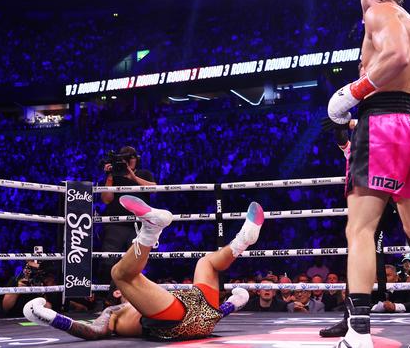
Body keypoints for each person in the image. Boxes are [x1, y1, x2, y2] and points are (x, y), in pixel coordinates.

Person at [326, 0, 410, 346]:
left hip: (381, 127)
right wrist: (394, 114)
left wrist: (353, 93)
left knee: (360, 230)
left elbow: (396, 56)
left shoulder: (377, 13)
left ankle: (358, 334)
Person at [24, 196, 264, 341]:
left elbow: (209, 317)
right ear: (117, 294)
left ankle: (242, 239)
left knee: (205, 261)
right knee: (119, 274)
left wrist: (232, 304)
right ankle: (151, 230)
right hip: (185, 318)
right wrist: (52, 318)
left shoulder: (141, 304)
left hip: (199, 314)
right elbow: (94, 332)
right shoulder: (112, 313)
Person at [98, 146, 157, 284]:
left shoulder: (144, 174)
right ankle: (108, 297)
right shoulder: (114, 176)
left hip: (138, 225)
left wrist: (133, 177)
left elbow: (154, 188)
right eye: (125, 157)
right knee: (109, 261)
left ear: (137, 159)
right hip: (116, 225)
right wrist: (110, 177)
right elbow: (106, 199)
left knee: (137, 263)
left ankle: (135, 298)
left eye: (131, 157)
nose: (129, 160)